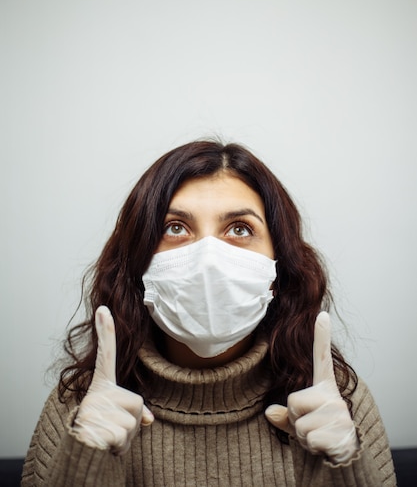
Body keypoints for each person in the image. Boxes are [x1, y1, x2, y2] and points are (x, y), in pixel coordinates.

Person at [21, 139, 397, 486]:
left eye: (239, 228)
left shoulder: (337, 406)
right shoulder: (79, 407)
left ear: (278, 265)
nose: (208, 261)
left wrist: (345, 466)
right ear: (137, 261)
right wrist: (85, 459)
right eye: (175, 227)